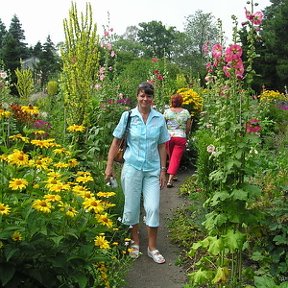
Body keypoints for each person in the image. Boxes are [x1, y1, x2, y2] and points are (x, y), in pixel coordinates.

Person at [105, 82, 170, 264]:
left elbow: (162, 145)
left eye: (149, 96)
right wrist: (109, 166)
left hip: (152, 170)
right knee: (132, 207)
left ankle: (152, 247)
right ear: (137, 96)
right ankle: (135, 241)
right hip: (132, 168)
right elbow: (116, 143)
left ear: (152, 98)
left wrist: (163, 170)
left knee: (153, 207)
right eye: (142, 95)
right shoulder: (128, 117)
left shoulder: (159, 119)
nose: (145, 99)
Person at [163, 93, 192, 188]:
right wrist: (185, 134)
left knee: (172, 156)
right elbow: (188, 127)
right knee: (175, 158)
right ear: (181, 101)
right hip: (180, 137)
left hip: (168, 137)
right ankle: (170, 180)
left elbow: (163, 125)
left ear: (172, 101)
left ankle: (172, 176)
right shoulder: (186, 112)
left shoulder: (167, 112)